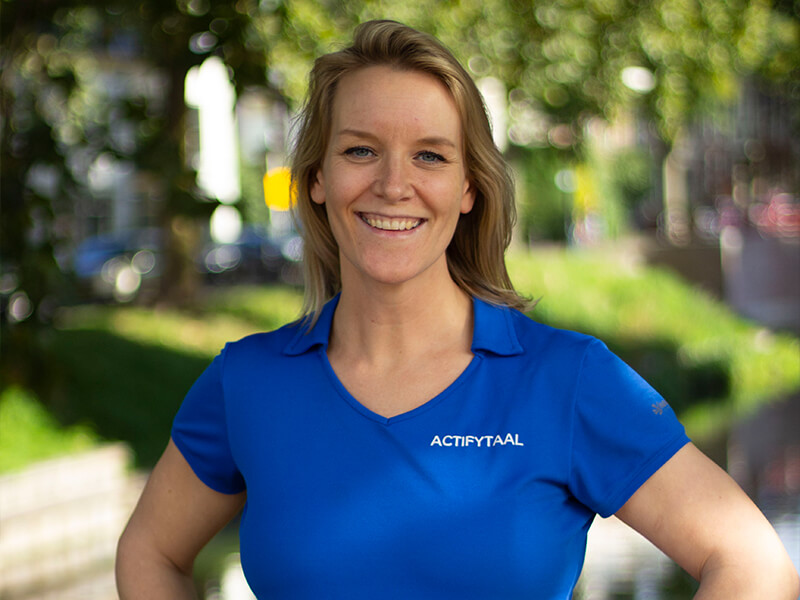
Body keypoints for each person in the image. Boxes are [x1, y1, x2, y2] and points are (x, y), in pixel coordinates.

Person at [116, 20, 800, 599]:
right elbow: (150, 552)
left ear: (469, 187)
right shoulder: (248, 384)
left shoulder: (566, 382)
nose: (394, 184)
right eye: (360, 150)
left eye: (430, 156)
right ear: (318, 178)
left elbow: (752, 561)